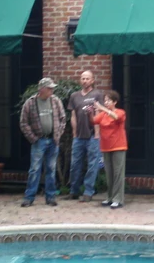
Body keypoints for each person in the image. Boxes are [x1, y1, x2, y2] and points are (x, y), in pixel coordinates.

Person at [18, 77, 67, 207]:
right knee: (34, 169)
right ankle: (29, 197)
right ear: (42, 89)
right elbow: (23, 123)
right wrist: (33, 138)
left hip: (53, 140)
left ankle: (50, 197)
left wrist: (58, 133)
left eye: (52, 88)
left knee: (51, 169)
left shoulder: (56, 101)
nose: (52, 90)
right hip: (39, 140)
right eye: (49, 88)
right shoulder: (30, 103)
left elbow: (63, 118)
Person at [67, 70, 105, 202]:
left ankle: (88, 191)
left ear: (93, 80)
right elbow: (73, 115)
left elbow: (98, 112)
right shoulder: (74, 96)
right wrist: (74, 132)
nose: (84, 81)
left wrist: (98, 133)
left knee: (92, 164)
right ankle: (74, 190)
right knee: (75, 165)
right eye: (83, 78)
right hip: (78, 137)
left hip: (92, 136)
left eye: (87, 78)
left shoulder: (97, 94)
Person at [92, 90, 127, 209]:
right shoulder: (103, 114)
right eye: (105, 100)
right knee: (109, 174)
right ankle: (110, 197)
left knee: (118, 173)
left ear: (115, 102)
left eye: (108, 101)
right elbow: (93, 121)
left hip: (118, 146)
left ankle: (118, 199)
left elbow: (116, 117)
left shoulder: (120, 112)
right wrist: (90, 111)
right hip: (105, 147)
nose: (106, 102)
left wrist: (102, 108)